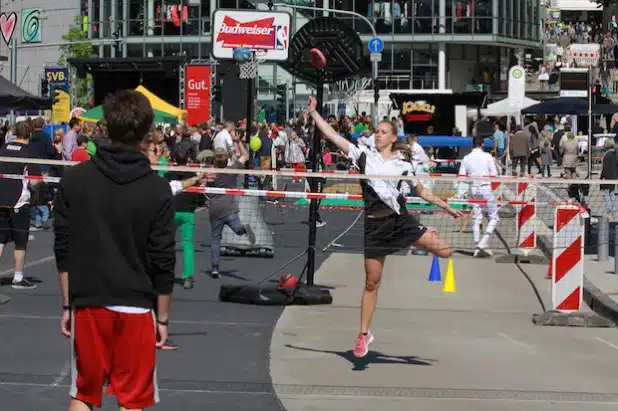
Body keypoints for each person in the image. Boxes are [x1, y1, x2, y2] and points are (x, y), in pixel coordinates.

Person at [306, 96, 463, 358]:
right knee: (372, 282)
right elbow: (333, 136)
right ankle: (364, 334)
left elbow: (421, 191)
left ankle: (419, 236)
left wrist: (445, 206)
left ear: (393, 137)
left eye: (383, 132)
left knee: (445, 251)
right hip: (374, 225)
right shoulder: (363, 156)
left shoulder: (404, 165)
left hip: (400, 221)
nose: (377, 135)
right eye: (376, 131)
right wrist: (314, 113)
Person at [53, 90, 176, 411]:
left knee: (84, 392)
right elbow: (163, 259)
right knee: (132, 399)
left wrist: (68, 304)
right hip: (136, 304)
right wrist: (162, 319)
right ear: (147, 132)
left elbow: (62, 249)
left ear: (106, 126)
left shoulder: (75, 181)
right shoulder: (157, 188)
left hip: (89, 301)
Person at [0, 120, 42, 290]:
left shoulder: (2, 149)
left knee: (0, 240)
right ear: (30, 134)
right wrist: (39, 183)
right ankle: (18, 278)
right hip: (19, 201)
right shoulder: (29, 153)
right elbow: (34, 181)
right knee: (20, 241)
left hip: (1, 199)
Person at [207, 144, 256, 279]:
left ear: (214, 160)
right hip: (229, 208)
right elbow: (245, 156)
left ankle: (215, 268)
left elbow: (203, 185)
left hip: (215, 208)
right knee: (238, 230)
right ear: (227, 159)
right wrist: (238, 141)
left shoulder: (211, 172)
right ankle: (243, 229)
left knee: (215, 238)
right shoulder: (232, 170)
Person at [457, 136, 499, 257]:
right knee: (494, 217)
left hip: (474, 189)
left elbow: (461, 176)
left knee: (476, 218)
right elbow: (494, 174)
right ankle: (482, 243)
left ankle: (478, 246)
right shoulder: (487, 156)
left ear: (472, 144)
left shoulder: (466, 158)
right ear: (482, 144)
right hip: (486, 188)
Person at [600, 139, 617, 216]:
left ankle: (610, 208)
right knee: (612, 192)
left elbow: (605, 168)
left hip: (607, 176)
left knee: (607, 193)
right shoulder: (616, 153)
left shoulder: (606, 155)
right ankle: (614, 208)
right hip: (614, 175)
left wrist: (601, 177)